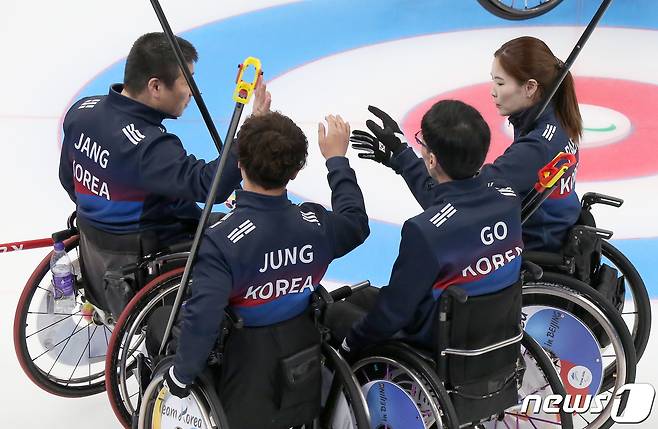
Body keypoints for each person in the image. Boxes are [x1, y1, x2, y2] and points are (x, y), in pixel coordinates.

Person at [161, 112, 369, 429]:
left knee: (161, 323)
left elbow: (203, 319)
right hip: (304, 359)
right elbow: (355, 222)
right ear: (297, 171)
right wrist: (337, 161)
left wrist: (181, 375)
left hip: (244, 375)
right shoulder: (316, 225)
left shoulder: (221, 242)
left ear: (239, 164)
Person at [58, 32, 269, 314]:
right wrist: (251, 130)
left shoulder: (82, 111)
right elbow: (211, 187)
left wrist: (104, 211)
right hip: (149, 251)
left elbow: (68, 180)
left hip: (96, 244)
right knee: (253, 232)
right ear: (155, 86)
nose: (193, 92)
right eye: (188, 82)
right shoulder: (148, 147)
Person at [351, 36, 582, 252]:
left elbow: (453, 200)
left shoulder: (536, 148)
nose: (493, 92)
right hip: (553, 224)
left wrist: (403, 157)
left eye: (500, 84)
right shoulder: (554, 118)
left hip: (536, 238)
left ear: (530, 87)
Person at [331, 100, 522, 356]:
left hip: (439, 340)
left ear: (431, 159)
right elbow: (456, 202)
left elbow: (392, 314)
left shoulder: (424, 232)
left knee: (334, 313)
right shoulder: (507, 197)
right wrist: (402, 155)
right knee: (361, 298)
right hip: (493, 328)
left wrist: (349, 344)